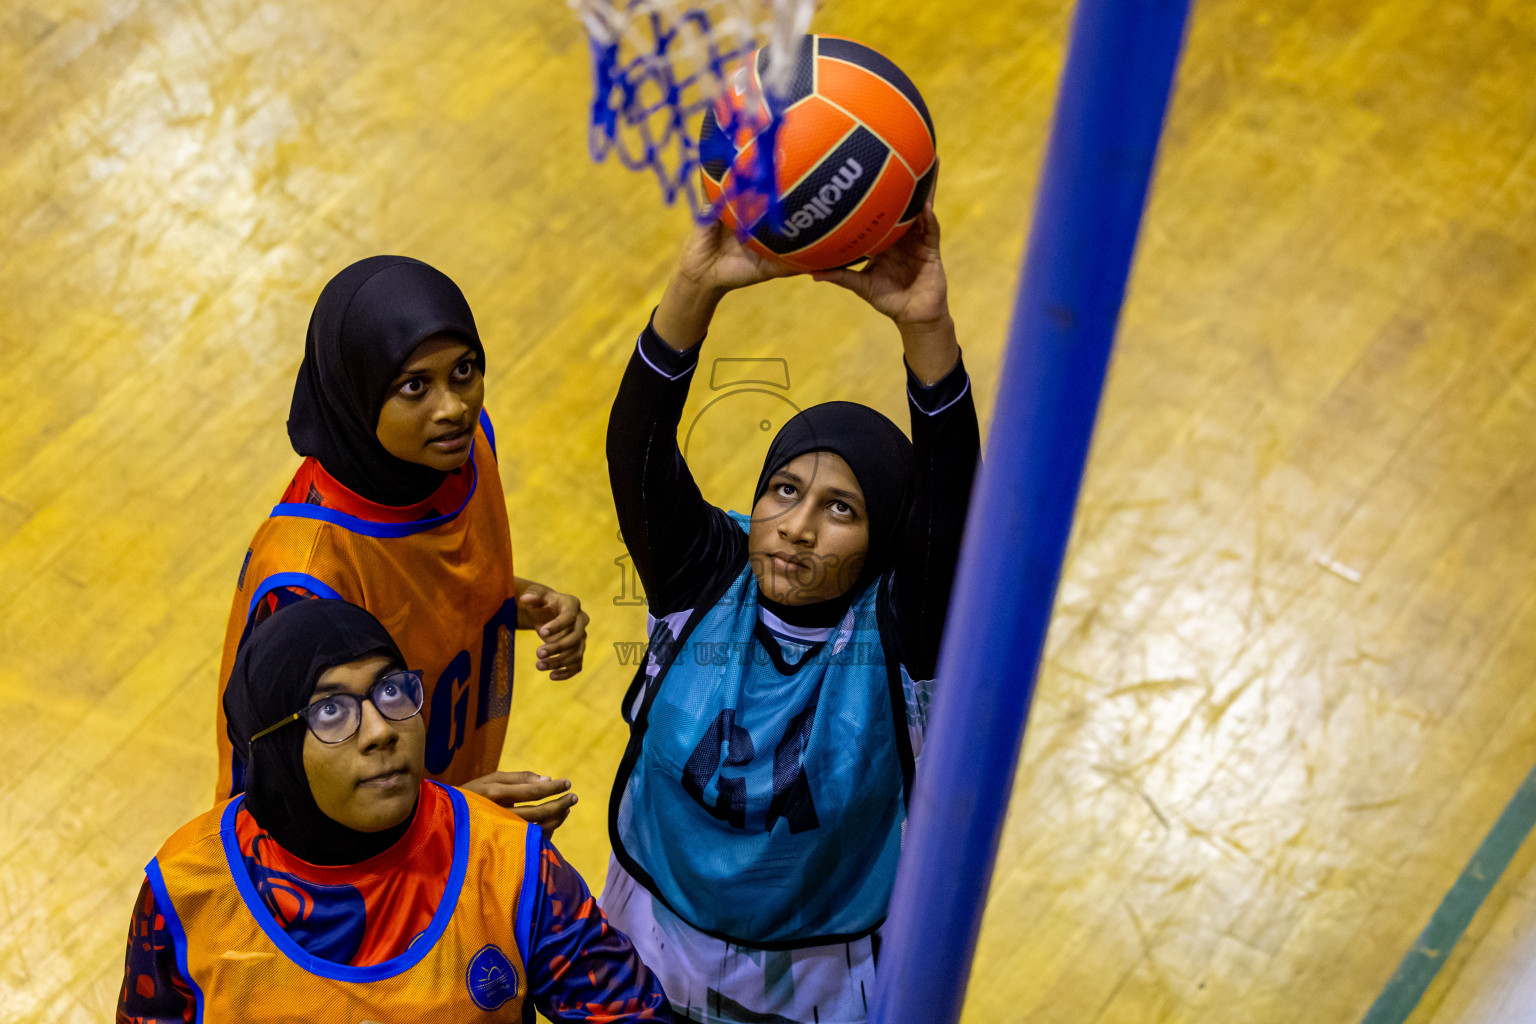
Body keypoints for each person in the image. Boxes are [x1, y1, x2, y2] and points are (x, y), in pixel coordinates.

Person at [601, 179, 980, 1022]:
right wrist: (694, 286)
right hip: (652, 944)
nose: (796, 527)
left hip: (809, 982)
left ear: (883, 539)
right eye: (783, 491)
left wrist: (925, 329)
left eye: (839, 508)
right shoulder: (707, 573)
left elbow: (954, 510)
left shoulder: (899, 628)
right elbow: (636, 452)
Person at [121, 599, 671, 1023]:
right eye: (331, 710)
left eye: (390, 690)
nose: (382, 730)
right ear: (274, 753)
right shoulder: (186, 889)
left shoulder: (511, 862)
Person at [214, 256, 587, 827]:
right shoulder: (304, 579)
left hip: (435, 796)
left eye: (464, 371)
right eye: (415, 386)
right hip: (361, 868)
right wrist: (455, 823)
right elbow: (294, 804)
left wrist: (516, 600)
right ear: (355, 396)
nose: (453, 408)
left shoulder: (462, 452)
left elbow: (419, 594)